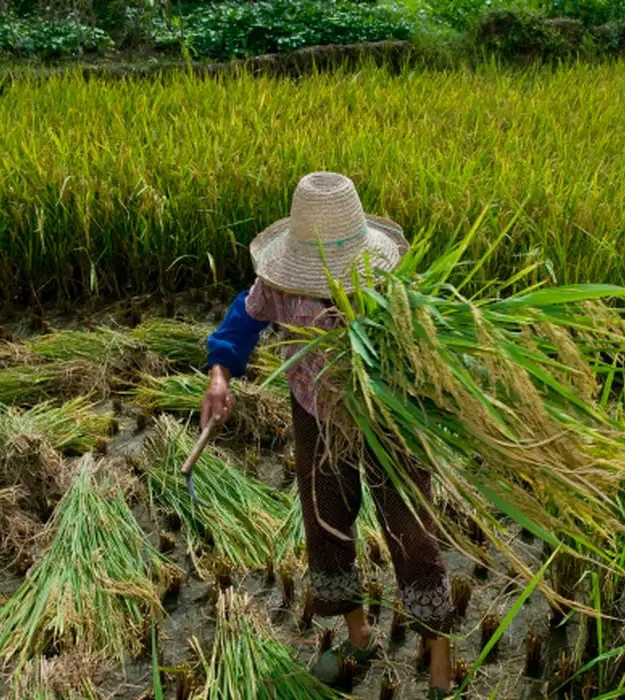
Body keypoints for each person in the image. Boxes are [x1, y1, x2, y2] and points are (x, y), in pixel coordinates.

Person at [201, 172, 454, 698]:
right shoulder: (278, 285)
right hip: (315, 413)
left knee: (410, 527)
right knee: (326, 518)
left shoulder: (387, 286)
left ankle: (440, 659)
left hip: (386, 415)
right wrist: (220, 375)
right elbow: (241, 321)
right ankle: (358, 634)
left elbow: (429, 348)